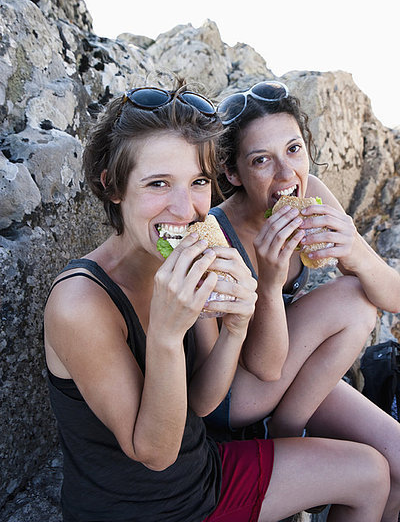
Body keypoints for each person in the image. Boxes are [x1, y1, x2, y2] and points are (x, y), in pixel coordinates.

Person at [44, 83, 390, 522]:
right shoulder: (81, 303)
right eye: (158, 184)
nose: (185, 208)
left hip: (203, 471)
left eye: (198, 182)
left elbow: (204, 403)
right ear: (112, 185)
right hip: (153, 508)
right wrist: (168, 334)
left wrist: (237, 325)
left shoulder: (173, 264)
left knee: (372, 474)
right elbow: (154, 452)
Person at [205, 79, 400, 521]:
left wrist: (354, 251)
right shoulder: (218, 234)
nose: (285, 174)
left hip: (288, 374)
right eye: (261, 161)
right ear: (233, 174)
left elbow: (393, 295)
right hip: (234, 392)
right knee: (352, 300)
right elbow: (262, 366)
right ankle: (288, 433)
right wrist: (270, 285)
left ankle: (289, 426)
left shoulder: (308, 191)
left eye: (293, 150)